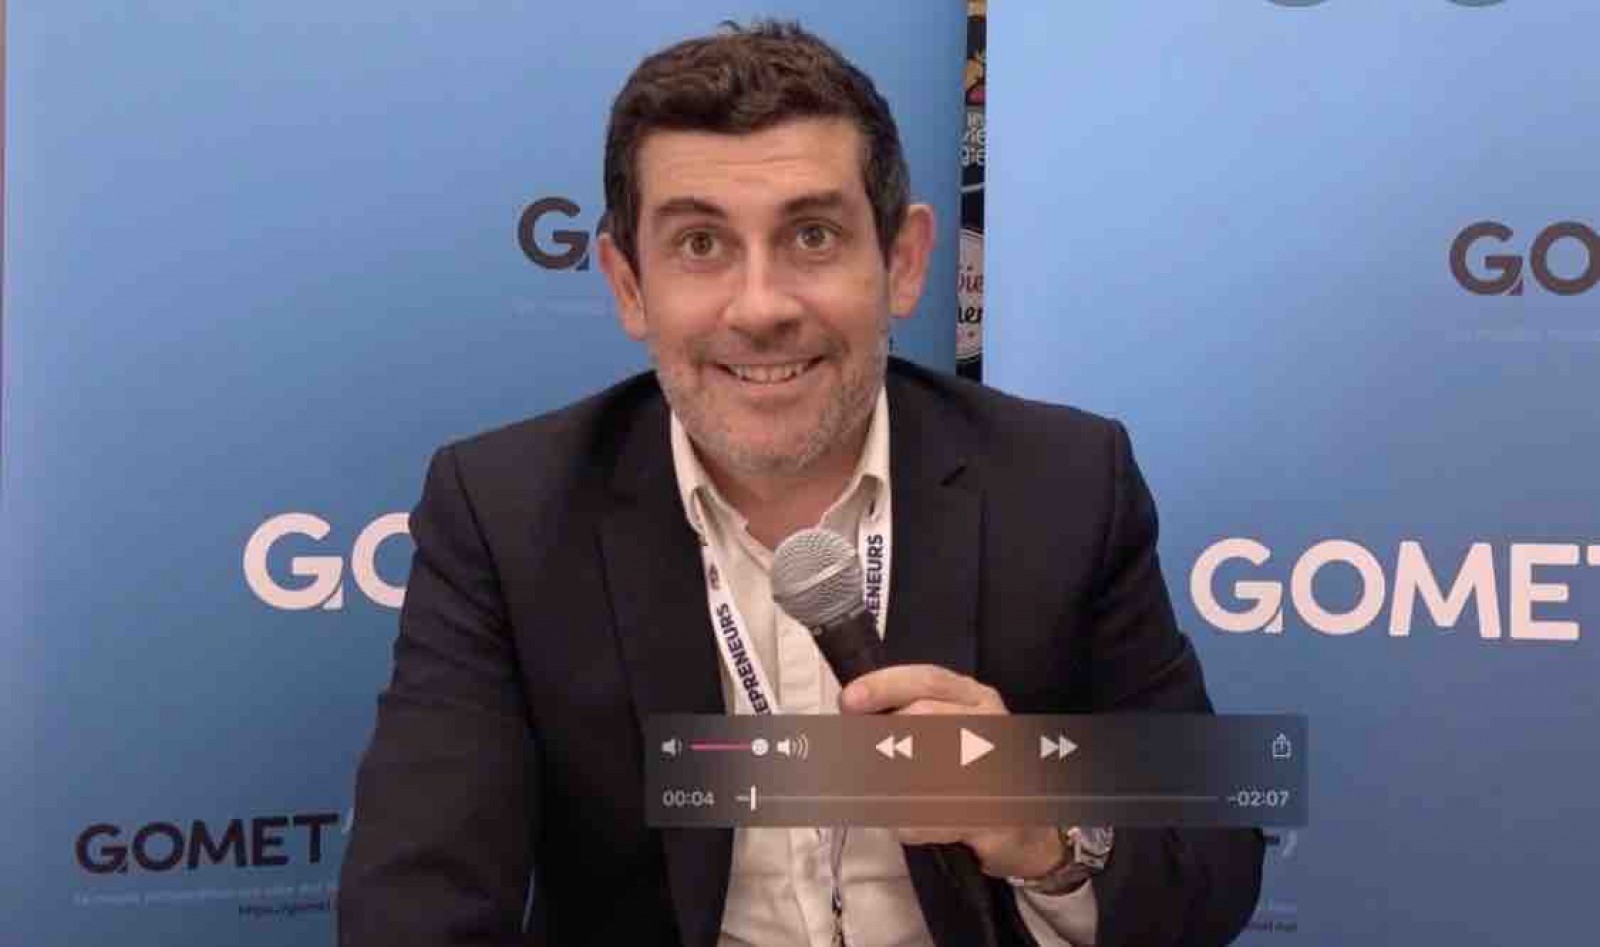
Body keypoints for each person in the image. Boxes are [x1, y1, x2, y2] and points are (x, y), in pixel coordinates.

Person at [338, 20, 1263, 947]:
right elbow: (414, 907)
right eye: (700, 244)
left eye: (812, 235)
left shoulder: (1065, 484)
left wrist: (1047, 836)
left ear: (902, 261)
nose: (761, 307)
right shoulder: (506, 514)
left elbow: (1216, 851)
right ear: (628, 285)